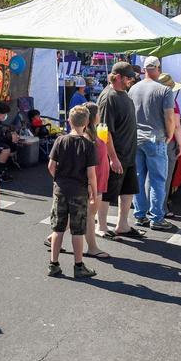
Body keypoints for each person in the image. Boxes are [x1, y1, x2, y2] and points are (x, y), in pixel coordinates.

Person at [47, 105, 98, 278]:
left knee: (58, 228)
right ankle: (78, 265)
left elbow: (51, 166)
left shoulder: (60, 140)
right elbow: (91, 173)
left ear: (69, 120)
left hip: (61, 189)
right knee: (77, 230)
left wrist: (58, 179)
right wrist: (94, 191)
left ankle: (53, 264)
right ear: (87, 123)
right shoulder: (88, 145)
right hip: (79, 191)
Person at [128, 56, 176, 231]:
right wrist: (169, 134)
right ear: (157, 68)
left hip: (136, 137)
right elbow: (169, 116)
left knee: (139, 178)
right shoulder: (164, 90)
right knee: (157, 179)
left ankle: (140, 215)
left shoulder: (133, 88)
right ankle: (156, 217)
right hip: (155, 138)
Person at [97, 62, 142, 240]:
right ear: (117, 77)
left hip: (129, 153)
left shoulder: (124, 94)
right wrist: (112, 158)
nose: (131, 80)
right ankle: (101, 226)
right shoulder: (109, 97)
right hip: (116, 154)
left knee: (128, 189)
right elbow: (104, 132)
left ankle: (122, 224)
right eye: (128, 77)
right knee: (107, 191)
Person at [81, 102, 110, 260]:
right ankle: (92, 248)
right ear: (94, 117)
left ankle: (53, 237)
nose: (100, 116)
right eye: (98, 113)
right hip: (94, 182)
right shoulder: (89, 138)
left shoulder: (95, 135)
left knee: (81, 213)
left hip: (97, 181)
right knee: (90, 215)